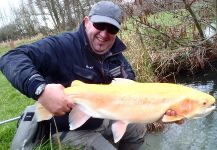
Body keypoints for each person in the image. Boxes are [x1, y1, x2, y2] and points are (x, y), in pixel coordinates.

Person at [0, 1, 183, 150]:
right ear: (87, 22)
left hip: (99, 119)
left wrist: (159, 112)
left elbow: (132, 101)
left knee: (138, 128)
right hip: (63, 126)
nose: (104, 34)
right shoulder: (61, 46)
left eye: (111, 29)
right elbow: (11, 58)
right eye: (99, 25)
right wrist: (40, 89)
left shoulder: (119, 60)